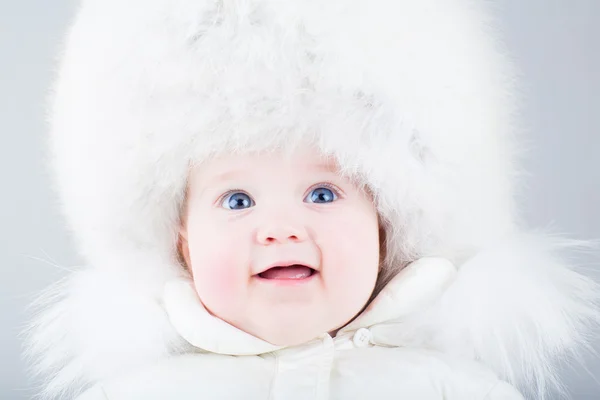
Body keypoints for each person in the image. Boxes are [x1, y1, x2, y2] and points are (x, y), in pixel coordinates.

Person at [25, 0, 598, 399]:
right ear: (181, 241)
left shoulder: (453, 389)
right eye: (236, 200)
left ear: (386, 225)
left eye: (322, 193)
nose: (279, 228)